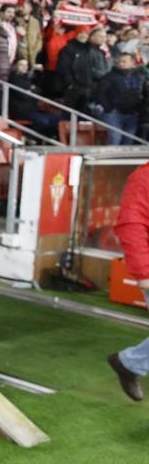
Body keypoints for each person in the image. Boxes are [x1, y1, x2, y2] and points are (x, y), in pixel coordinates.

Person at [108, 162, 149, 402]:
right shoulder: (143, 178)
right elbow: (131, 225)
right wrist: (144, 274)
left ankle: (129, 363)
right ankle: (129, 363)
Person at [97, 53, 144, 145]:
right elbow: (101, 93)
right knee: (115, 139)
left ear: (132, 63)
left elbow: (144, 93)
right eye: (119, 62)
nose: (121, 64)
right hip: (114, 113)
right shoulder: (109, 76)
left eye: (124, 61)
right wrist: (109, 108)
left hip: (133, 113)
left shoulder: (139, 76)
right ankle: (110, 159)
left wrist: (140, 109)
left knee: (129, 140)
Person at [8, 58, 60, 138]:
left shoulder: (27, 78)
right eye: (21, 65)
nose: (24, 67)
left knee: (56, 119)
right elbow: (22, 95)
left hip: (32, 109)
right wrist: (30, 89)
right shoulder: (13, 79)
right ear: (15, 66)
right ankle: (30, 137)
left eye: (26, 65)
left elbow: (38, 91)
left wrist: (30, 90)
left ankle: (40, 138)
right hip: (21, 111)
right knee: (44, 121)